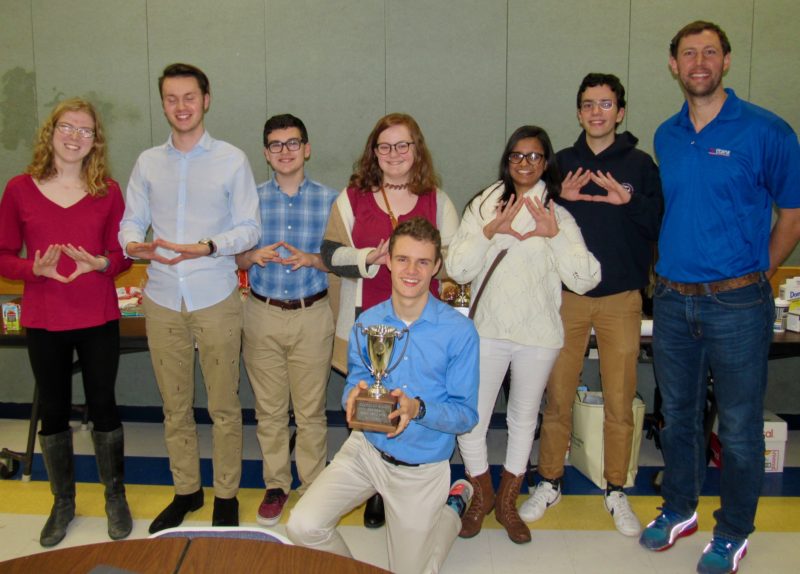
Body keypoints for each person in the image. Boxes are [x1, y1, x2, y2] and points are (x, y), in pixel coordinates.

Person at [638, 21, 800, 574]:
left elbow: (792, 214)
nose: (699, 62)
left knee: (736, 426)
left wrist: (760, 271)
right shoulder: (666, 134)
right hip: (674, 303)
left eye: (710, 52)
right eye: (688, 53)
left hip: (737, 305)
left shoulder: (767, 131)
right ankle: (680, 508)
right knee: (679, 417)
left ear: (727, 61)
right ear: (673, 65)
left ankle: (732, 532)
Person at [287, 217, 479, 574]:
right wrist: (353, 398)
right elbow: (355, 382)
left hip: (420, 469)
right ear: (388, 260)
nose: (411, 271)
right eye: (403, 259)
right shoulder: (367, 323)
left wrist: (417, 408)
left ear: (437, 267)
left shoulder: (460, 332)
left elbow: (466, 415)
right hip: (366, 450)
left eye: (423, 262)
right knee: (302, 526)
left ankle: (452, 509)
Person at [119, 63, 260, 532]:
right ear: (163, 103)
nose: (181, 106)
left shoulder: (231, 160)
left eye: (189, 97)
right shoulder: (147, 162)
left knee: (223, 405)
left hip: (216, 293)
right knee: (174, 404)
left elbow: (249, 229)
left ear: (206, 99)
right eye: (171, 98)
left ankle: (225, 494)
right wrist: (132, 242)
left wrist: (207, 246)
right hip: (161, 296)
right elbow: (131, 220)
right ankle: (186, 491)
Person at [522, 74, 662, 537]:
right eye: (588, 104)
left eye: (606, 104)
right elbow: (533, 220)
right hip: (566, 299)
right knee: (557, 394)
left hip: (622, 299)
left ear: (620, 112)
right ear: (579, 112)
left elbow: (657, 224)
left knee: (620, 397)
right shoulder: (560, 164)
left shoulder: (641, 165)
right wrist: (559, 197)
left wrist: (630, 201)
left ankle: (616, 487)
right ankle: (549, 480)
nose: (597, 112)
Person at [446, 125, 601, 544]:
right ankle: (482, 495)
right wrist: (489, 231)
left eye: (534, 156)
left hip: (538, 335)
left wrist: (554, 239)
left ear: (546, 161)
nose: (525, 163)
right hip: (488, 332)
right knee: (470, 419)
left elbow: (585, 278)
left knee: (523, 419)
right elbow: (458, 269)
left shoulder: (557, 212)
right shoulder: (485, 203)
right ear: (507, 159)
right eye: (517, 155)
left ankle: (509, 502)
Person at [0, 98, 133, 547]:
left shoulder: (108, 191)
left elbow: (122, 254)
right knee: (54, 412)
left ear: (97, 141)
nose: (76, 136)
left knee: (104, 407)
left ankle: (115, 496)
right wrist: (31, 270)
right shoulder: (19, 188)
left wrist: (99, 263)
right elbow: (3, 255)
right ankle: (63, 502)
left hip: (96, 314)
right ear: (51, 131)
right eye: (68, 127)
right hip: (44, 316)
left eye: (87, 130)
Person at [321, 112, 459, 528]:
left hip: (421, 324)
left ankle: (411, 485)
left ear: (417, 150)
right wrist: (368, 257)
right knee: (367, 398)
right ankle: (374, 490)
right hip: (366, 320)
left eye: (403, 145)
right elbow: (329, 254)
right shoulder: (352, 199)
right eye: (385, 146)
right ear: (373, 153)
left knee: (413, 398)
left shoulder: (438, 199)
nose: (394, 154)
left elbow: (453, 260)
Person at [236, 114, 337, 526]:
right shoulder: (250, 201)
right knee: (270, 410)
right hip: (261, 314)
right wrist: (250, 256)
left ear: (307, 148)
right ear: (266, 153)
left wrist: (312, 259)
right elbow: (234, 256)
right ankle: (276, 484)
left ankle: (313, 487)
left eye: (292, 143)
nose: (285, 151)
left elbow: (339, 260)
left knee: (311, 411)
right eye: (276, 145)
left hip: (313, 314)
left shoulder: (332, 200)